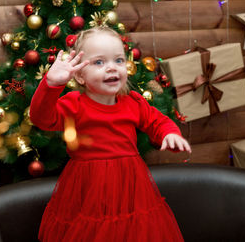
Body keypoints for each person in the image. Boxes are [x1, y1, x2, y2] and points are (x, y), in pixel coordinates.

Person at [30, 26, 191, 242]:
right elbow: (42, 118)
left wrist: (170, 134)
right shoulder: (74, 105)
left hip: (131, 187)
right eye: (99, 62)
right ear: (79, 75)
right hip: (88, 189)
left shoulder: (133, 102)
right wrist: (51, 84)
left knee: (134, 231)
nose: (111, 68)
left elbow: (157, 121)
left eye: (118, 60)